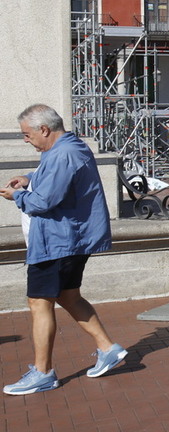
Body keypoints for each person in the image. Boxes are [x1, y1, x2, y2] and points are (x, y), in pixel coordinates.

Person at [0, 104, 127, 395]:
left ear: (44, 129)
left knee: (39, 302)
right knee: (69, 296)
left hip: (58, 241)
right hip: (69, 239)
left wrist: (17, 195)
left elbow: (43, 202)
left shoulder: (66, 152)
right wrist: (30, 178)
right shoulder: (66, 149)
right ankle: (108, 349)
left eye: (27, 134)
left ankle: (43, 372)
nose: (25, 139)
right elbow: (56, 177)